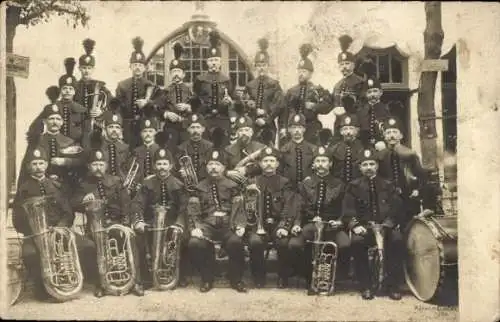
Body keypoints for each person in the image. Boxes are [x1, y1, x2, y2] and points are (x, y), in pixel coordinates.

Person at [12, 147, 94, 301]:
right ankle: (41, 289)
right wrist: (35, 230)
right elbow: (17, 219)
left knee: (87, 245)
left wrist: (59, 227)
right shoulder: (23, 189)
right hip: (36, 234)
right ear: (29, 166)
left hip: (59, 230)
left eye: (41, 163)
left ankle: (78, 281)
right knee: (30, 254)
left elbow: (68, 213)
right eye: (34, 163)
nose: (38, 167)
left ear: (46, 165)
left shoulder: (56, 186)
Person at [72, 146, 144, 298]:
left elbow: (126, 204)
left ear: (106, 165)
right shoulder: (83, 184)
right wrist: (82, 200)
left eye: (101, 164)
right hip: (94, 225)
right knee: (94, 245)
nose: (98, 168)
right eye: (94, 164)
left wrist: (126, 224)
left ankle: (136, 282)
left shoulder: (116, 181)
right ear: (89, 166)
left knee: (130, 239)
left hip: (116, 222)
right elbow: (72, 202)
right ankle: (101, 284)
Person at [341, 149, 404, 301]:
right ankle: (366, 285)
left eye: (371, 164)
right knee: (357, 243)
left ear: (377, 166)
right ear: (360, 167)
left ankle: (392, 285)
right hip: (365, 228)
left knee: (397, 241)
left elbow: (397, 208)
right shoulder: (353, 186)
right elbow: (347, 210)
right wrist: (355, 226)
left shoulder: (388, 185)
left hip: (385, 227)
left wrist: (388, 224)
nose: (368, 167)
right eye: (365, 164)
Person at [187, 146, 248, 293]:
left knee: (235, 242)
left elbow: (240, 208)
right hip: (207, 225)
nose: (213, 167)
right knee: (195, 243)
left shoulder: (233, 186)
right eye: (210, 164)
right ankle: (207, 278)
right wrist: (195, 227)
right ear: (206, 167)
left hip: (229, 224)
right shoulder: (199, 187)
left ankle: (236, 279)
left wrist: (240, 224)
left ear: (224, 167)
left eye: (217, 164)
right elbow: (193, 210)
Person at [289, 146, 349, 295]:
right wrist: (297, 224)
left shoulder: (340, 184)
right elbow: (299, 207)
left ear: (330, 164)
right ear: (314, 164)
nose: (321, 164)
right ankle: (309, 277)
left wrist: (340, 221)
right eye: (318, 161)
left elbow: (346, 208)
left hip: (333, 226)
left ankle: (335, 279)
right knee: (294, 245)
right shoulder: (305, 183)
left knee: (345, 244)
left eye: (324, 161)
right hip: (311, 225)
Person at [131, 146, 189, 289]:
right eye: (159, 164)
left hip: (172, 222)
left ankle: (180, 276)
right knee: (137, 239)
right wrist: (139, 222)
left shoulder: (179, 184)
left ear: (170, 166)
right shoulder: (147, 183)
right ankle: (145, 278)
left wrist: (179, 224)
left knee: (184, 239)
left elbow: (184, 207)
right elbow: (137, 204)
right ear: (154, 166)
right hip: (151, 222)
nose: (162, 167)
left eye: (164, 164)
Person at [245, 147, 297, 288]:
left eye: (272, 161)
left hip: (277, 224)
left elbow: (289, 206)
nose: (268, 163)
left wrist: (284, 227)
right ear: (260, 164)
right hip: (257, 224)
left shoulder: (285, 182)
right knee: (255, 242)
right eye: (265, 161)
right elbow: (247, 207)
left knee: (283, 242)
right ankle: (259, 278)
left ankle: (283, 277)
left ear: (277, 164)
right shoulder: (252, 181)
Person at [377, 117, 426, 226]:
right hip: (388, 198)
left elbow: (421, 175)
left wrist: (418, 190)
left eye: (395, 132)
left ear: (401, 136)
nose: (392, 135)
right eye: (388, 132)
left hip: (408, 196)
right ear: (384, 136)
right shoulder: (380, 156)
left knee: (409, 226)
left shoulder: (410, 154)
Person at [27, 58, 88, 146]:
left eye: (70, 89)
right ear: (60, 90)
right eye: (64, 88)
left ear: (74, 91)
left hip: (76, 148)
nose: (67, 91)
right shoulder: (53, 107)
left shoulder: (82, 110)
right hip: (54, 146)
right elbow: (36, 124)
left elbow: (87, 131)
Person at [115, 37, 162, 149]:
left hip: (145, 127)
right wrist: (119, 127)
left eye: (140, 65)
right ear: (130, 66)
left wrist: (148, 103)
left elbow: (160, 103)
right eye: (135, 65)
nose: (137, 68)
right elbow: (117, 108)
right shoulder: (122, 85)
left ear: (145, 68)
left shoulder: (152, 85)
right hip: (127, 127)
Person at [279, 44, 332, 143]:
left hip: (311, 129)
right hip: (294, 129)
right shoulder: (291, 91)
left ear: (310, 74)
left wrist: (314, 106)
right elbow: (284, 112)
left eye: (304, 71)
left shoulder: (317, 89)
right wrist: (284, 129)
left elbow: (328, 106)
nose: (301, 74)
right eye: (299, 71)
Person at [193, 31, 234, 146]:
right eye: (211, 60)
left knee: (224, 148)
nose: (214, 63)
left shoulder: (226, 80)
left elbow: (235, 99)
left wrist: (230, 102)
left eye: (216, 60)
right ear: (207, 62)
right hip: (206, 119)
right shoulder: (200, 80)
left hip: (223, 119)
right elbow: (195, 101)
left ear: (220, 62)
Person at [243, 38, 283, 145]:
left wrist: (266, 117)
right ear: (256, 66)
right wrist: (250, 106)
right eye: (259, 65)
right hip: (252, 125)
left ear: (268, 66)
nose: (261, 68)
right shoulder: (250, 85)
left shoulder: (274, 84)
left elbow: (278, 105)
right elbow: (244, 103)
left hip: (268, 126)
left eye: (264, 65)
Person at [129, 117, 174, 197]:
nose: (148, 134)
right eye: (145, 131)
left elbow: (170, 171)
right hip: (140, 189)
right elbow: (132, 172)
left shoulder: (162, 150)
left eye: (151, 131)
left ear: (156, 133)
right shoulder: (136, 151)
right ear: (140, 134)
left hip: (158, 188)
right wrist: (136, 184)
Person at [74, 38, 113, 129]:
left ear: (93, 69)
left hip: (95, 127)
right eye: (84, 68)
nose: (86, 71)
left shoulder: (100, 87)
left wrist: (102, 112)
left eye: (89, 68)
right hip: (77, 126)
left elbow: (113, 104)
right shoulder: (74, 86)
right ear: (79, 68)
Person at [162, 42, 194, 147]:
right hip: (170, 128)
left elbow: (199, 109)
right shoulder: (165, 91)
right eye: (173, 71)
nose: (176, 74)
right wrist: (166, 114)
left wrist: (188, 107)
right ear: (170, 74)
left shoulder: (190, 91)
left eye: (178, 71)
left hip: (187, 128)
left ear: (184, 74)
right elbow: (157, 109)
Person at [356, 59, 390, 149]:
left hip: (383, 148)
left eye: (375, 91)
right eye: (369, 92)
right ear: (366, 94)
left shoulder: (386, 110)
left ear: (381, 92)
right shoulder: (361, 111)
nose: (372, 95)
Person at [279, 113, 317, 191]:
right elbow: (280, 172)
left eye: (299, 127)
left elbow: (318, 171)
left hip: (309, 190)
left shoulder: (313, 149)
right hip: (289, 191)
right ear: (289, 130)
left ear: (304, 129)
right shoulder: (283, 150)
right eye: (293, 127)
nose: (297, 130)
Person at [224, 115, 266, 184]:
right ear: (237, 133)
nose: (244, 133)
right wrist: (227, 173)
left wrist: (247, 169)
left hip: (256, 184)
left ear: (252, 132)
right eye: (241, 130)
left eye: (247, 130)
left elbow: (268, 165)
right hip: (235, 184)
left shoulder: (261, 147)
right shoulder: (228, 149)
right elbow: (220, 166)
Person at [176, 113, 213, 184]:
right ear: (188, 129)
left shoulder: (210, 147)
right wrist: (181, 172)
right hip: (187, 184)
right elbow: (175, 168)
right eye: (192, 127)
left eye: (198, 127)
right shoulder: (181, 147)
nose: (195, 130)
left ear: (203, 129)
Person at [330, 114, 365, 184]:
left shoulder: (363, 147)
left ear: (357, 130)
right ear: (341, 132)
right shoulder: (334, 149)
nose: (348, 132)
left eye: (351, 128)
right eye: (345, 129)